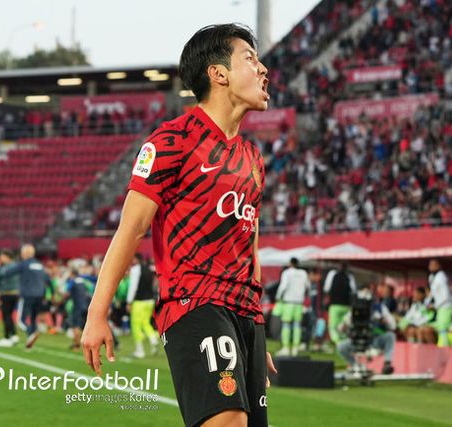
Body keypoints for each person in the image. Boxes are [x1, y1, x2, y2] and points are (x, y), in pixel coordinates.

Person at [81, 24, 275, 427]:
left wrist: (255, 333)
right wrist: (97, 314)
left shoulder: (253, 158)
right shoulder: (171, 142)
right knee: (228, 421)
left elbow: (249, 245)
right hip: (195, 302)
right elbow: (131, 229)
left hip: (245, 316)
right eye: (250, 59)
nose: (263, 69)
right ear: (218, 74)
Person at [0, 244, 53, 349]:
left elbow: (8, 272)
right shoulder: (40, 265)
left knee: (21, 321)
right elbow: (49, 281)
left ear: (24, 253)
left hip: (27, 295)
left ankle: (31, 333)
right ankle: (29, 344)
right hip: (40, 295)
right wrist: (51, 294)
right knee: (33, 319)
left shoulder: (24, 264)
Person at [337, 282, 396, 375]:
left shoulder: (380, 308)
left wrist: (382, 320)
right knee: (341, 347)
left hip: (376, 340)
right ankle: (356, 365)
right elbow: (340, 328)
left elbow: (393, 326)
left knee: (390, 336)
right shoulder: (354, 311)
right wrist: (345, 325)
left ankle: (387, 364)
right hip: (357, 340)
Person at [126, 253, 159, 358]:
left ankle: (139, 350)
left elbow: (133, 286)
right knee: (145, 323)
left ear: (136, 259)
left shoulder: (135, 270)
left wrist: (129, 301)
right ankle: (153, 340)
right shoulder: (149, 269)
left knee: (136, 325)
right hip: (150, 300)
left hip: (139, 301)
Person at [275, 257, 309, 356]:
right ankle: (295, 348)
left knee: (286, 325)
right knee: (297, 325)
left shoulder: (287, 273)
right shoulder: (303, 273)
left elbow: (283, 286)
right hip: (299, 302)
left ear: (290, 263)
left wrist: (278, 296)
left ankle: (286, 348)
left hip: (288, 302)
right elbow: (308, 286)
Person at [420, 259, 452, 346]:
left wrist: (435, 305)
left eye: (433, 265)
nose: (430, 267)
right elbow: (432, 293)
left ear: (439, 266)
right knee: (431, 328)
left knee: (443, 329)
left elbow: (446, 295)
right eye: (430, 265)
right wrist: (427, 303)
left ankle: (445, 348)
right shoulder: (432, 277)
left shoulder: (442, 277)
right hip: (439, 308)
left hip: (446, 306)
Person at [323, 262, 357, 345]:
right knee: (343, 326)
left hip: (335, 304)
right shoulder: (350, 276)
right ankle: (343, 342)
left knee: (333, 326)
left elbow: (326, 288)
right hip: (346, 305)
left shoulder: (332, 274)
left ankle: (338, 342)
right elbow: (354, 291)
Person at [0, 250, 21, 347]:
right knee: (8, 315)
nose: (0, 259)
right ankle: (13, 335)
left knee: (6, 315)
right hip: (14, 293)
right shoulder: (16, 266)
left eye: (2, 257)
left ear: (7, 257)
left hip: (7, 293)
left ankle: (8, 337)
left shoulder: (7, 267)